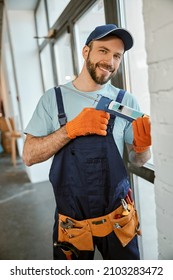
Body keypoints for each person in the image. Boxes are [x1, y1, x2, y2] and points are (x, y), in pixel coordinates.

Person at [22, 24, 151, 260]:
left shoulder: (126, 101)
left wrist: (143, 148)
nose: (109, 61)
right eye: (103, 51)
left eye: (116, 56)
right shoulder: (53, 99)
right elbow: (29, 156)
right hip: (72, 227)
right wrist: (70, 130)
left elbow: (138, 160)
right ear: (85, 52)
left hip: (118, 221)